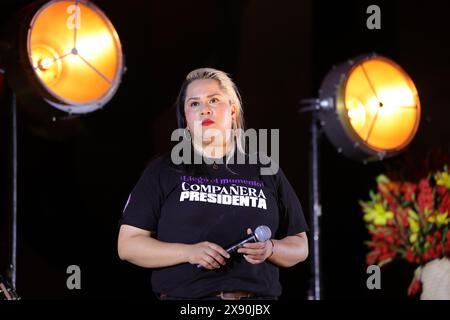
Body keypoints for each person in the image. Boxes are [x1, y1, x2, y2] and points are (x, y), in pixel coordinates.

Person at [117, 68, 309, 300]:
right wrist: (188, 252)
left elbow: (300, 245)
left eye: (214, 100)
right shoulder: (163, 170)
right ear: (186, 120)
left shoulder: (265, 168)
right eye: (194, 104)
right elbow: (128, 246)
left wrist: (271, 249)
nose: (204, 109)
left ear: (233, 111)